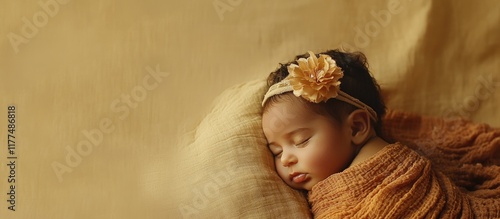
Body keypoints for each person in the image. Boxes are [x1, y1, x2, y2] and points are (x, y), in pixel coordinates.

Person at [261, 50, 500, 218]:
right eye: (276, 150)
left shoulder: (386, 164)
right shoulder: (338, 163)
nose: (285, 160)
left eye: (300, 141)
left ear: (356, 128)